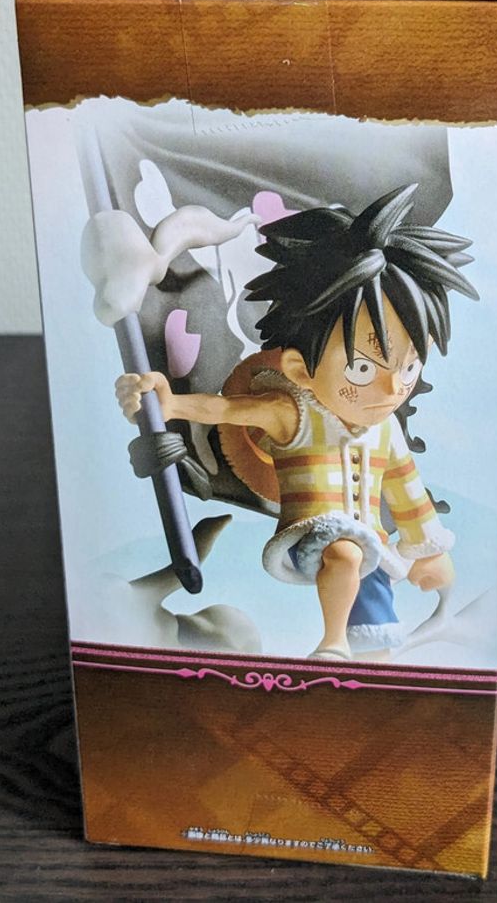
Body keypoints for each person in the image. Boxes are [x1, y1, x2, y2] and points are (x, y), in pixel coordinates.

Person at [116, 184, 478, 660]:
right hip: (312, 536)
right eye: (362, 368)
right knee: (346, 552)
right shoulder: (294, 413)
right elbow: (225, 410)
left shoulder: (385, 431)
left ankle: (368, 666)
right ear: (298, 370)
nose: (393, 388)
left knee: (376, 623)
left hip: (371, 546)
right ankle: (332, 643)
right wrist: (172, 405)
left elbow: (406, 490)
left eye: (409, 366)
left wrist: (428, 550)